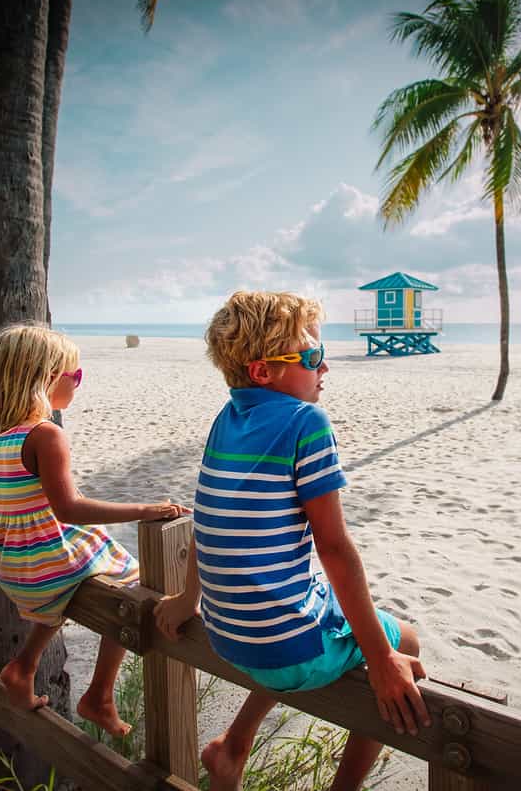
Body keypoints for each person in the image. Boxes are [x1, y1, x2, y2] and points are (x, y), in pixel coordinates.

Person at [154, 291, 430, 791]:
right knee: (403, 639)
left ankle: (234, 746)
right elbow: (335, 547)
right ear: (264, 372)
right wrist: (381, 657)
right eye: (313, 357)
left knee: (304, 606)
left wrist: (187, 597)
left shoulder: (225, 419)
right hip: (281, 648)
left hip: (226, 633)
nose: (325, 368)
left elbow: (208, 518)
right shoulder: (308, 423)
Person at [0, 323, 188, 737]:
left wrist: (4, 528)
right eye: (74, 376)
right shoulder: (46, 435)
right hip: (43, 562)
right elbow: (70, 509)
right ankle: (100, 694)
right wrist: (145, 508)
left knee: (67, 582)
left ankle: (24, 666)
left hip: (9, 563)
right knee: (133, 585)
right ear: (44, 379)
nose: (77, 385)